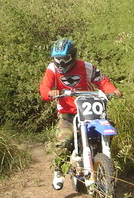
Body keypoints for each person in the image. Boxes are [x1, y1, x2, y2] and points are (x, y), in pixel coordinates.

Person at [39, 38, 121, 190]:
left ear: (73, 56)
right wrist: (50, 92)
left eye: (65, 59)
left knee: (110, 129)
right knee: (64, 140)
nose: (61, 63)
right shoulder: (52, 69)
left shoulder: (86, 67)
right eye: (57, 59)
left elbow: (102, 81)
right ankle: (58, 170)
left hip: (90, 111)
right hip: (68, 114)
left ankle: (101, 160)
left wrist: (113, 90)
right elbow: (44, 87)